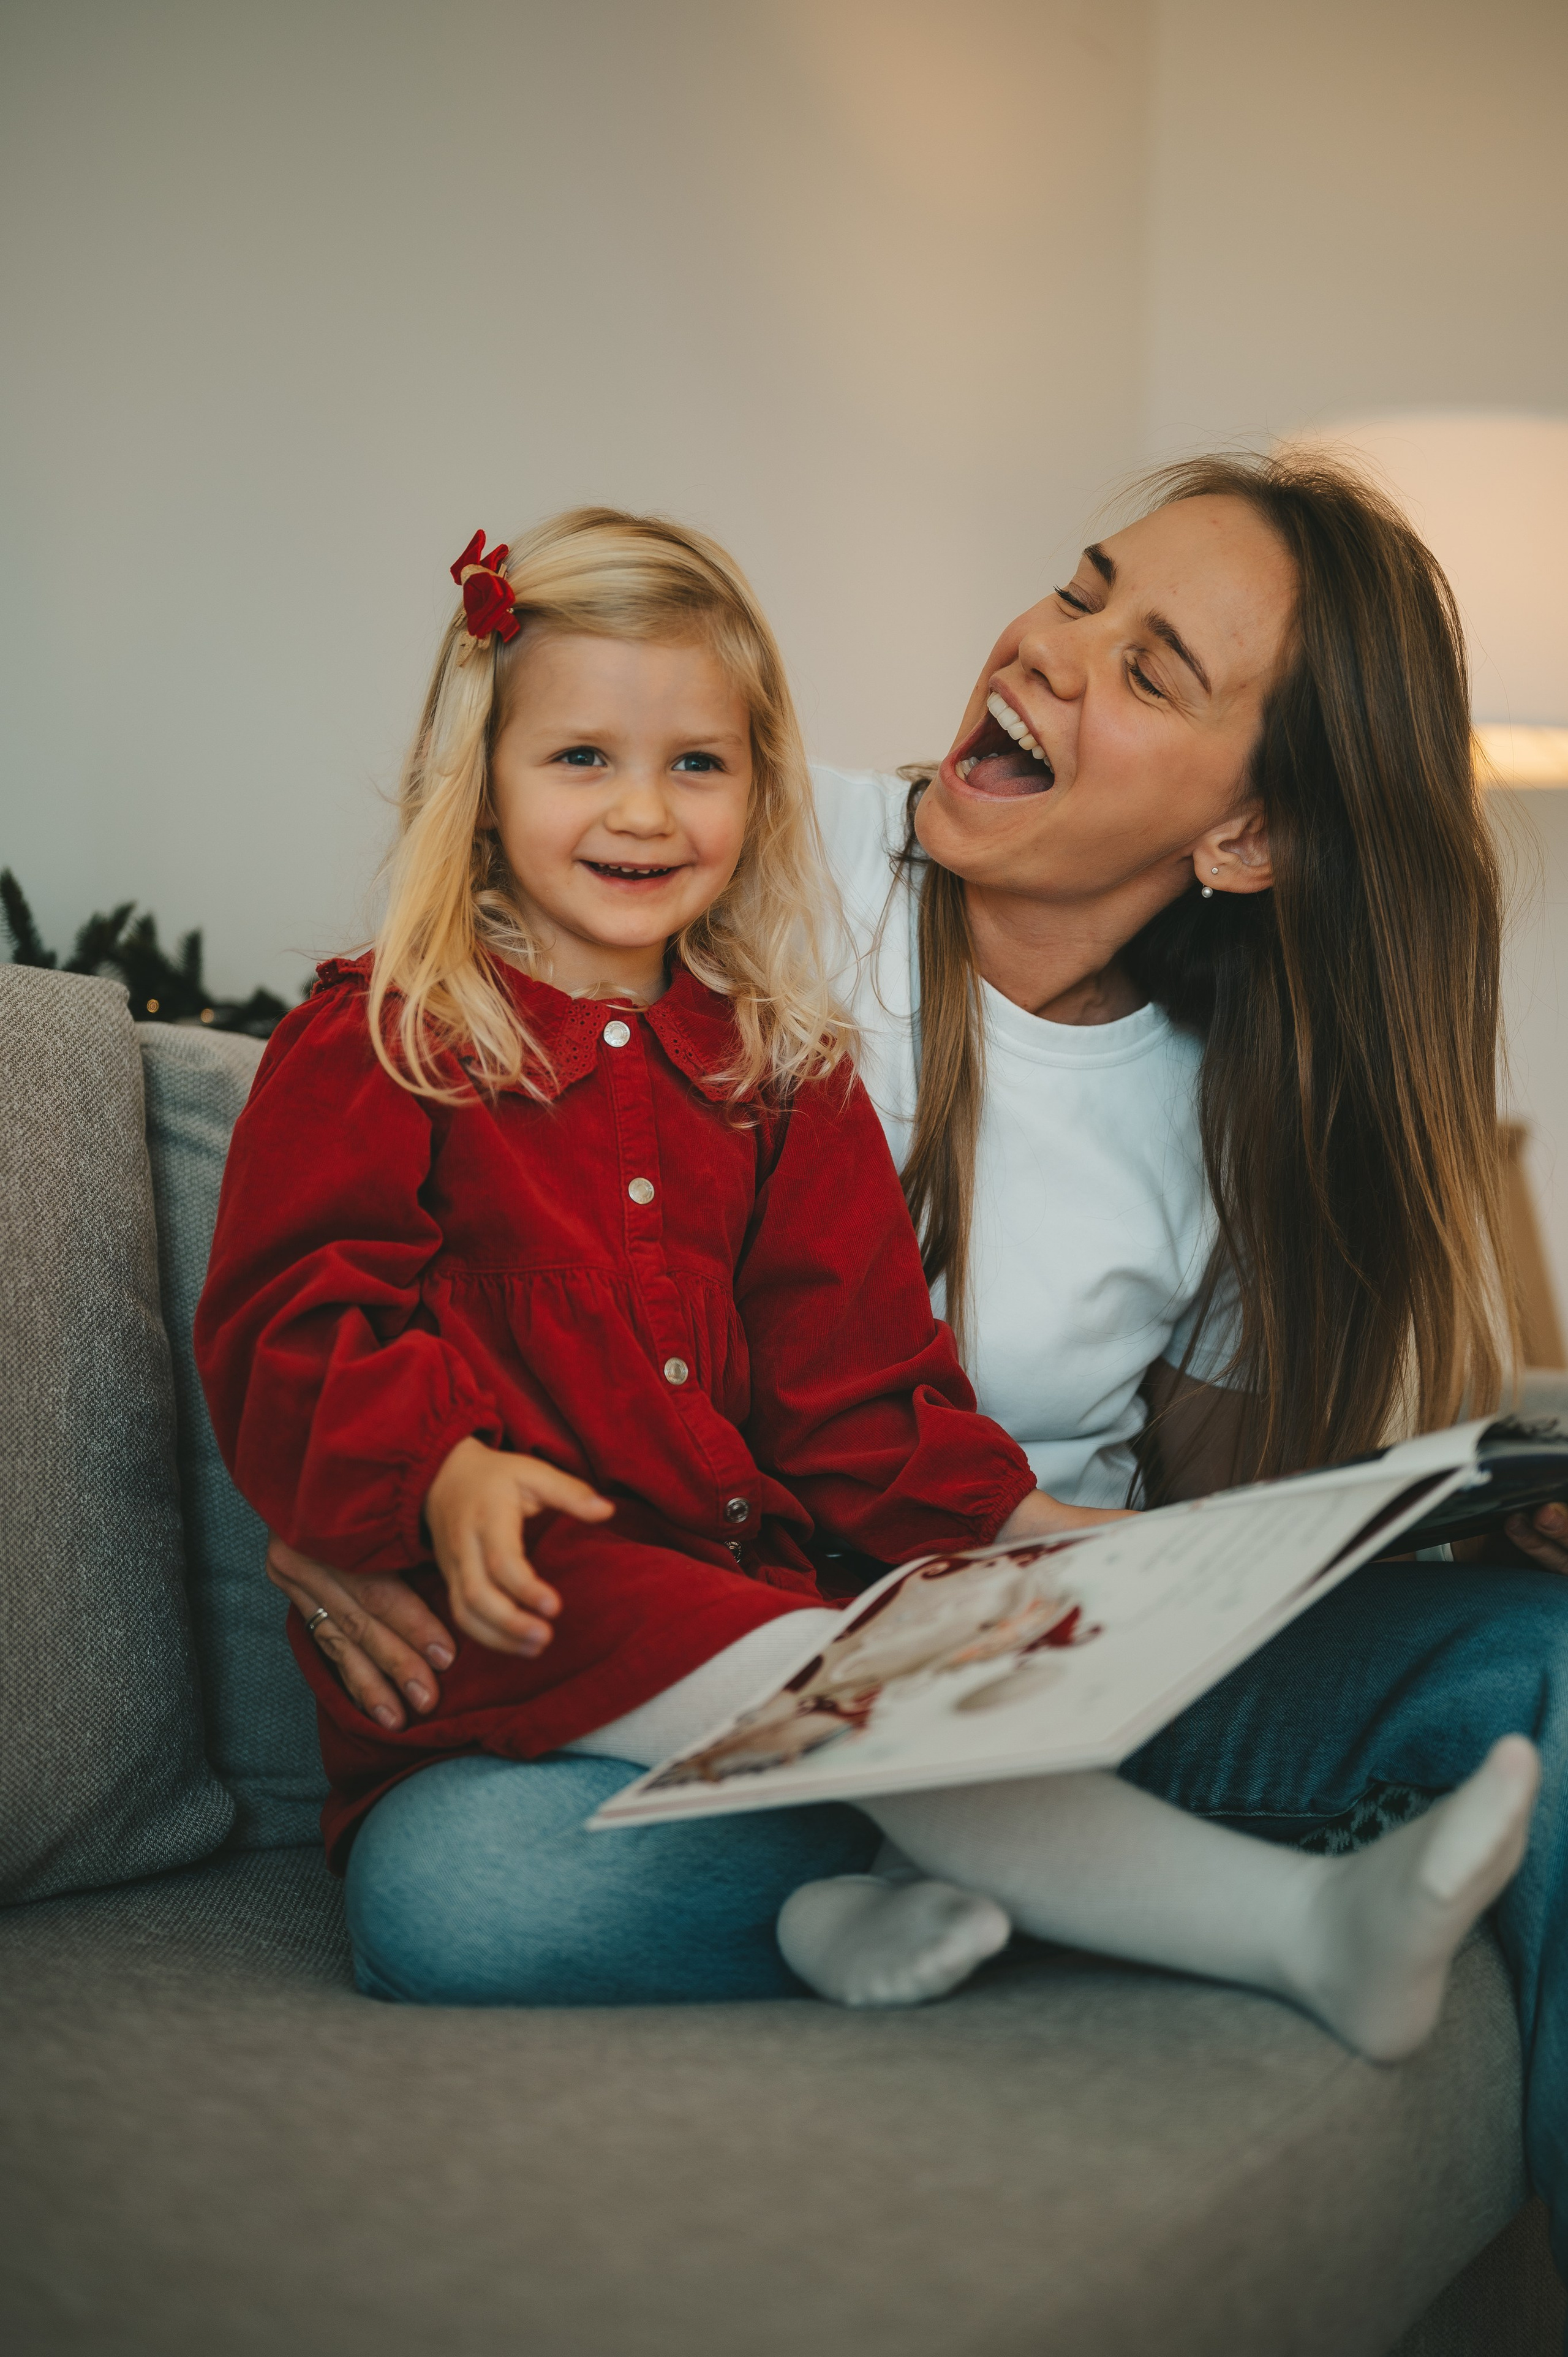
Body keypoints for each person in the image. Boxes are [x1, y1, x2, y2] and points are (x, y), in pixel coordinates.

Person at [265, 458, 1568, 2283]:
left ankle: (1006, 1865)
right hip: (655, 1659)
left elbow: (1048, 1478)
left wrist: (1438, 1528)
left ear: (1249, 835)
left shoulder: (1191, 1099)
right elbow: (360, 1219)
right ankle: (1101, 1882)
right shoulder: (728, 872)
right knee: (467, 1887)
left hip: (1004, 1637)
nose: (1052, 645)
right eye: (1083, 585)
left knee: (1544, 1662)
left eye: (1151, 666)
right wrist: (369, 1478)